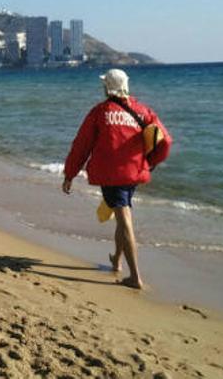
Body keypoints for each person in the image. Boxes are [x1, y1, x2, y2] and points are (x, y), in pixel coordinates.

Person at [62, 69, 172, 289]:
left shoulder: (99, 112)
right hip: (133, 175)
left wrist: (69, 174)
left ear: (107, 88)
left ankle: (135, 277)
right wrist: (150, 163)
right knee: (122, 214)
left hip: (111, 176)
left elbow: (81, 146)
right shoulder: (143, 111)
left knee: (125, 220)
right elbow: (166, 141)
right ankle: (117, 260)